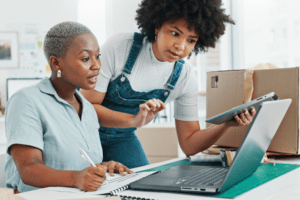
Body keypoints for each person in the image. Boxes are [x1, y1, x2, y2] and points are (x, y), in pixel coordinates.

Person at [81, 0, 256, 169]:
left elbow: (189, 144)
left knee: (144, 188)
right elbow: (85, 109)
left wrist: (225, 124)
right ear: (157, 26)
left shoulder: (185, 77)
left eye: (191, 40)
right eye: (175, 33)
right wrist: (133, 120)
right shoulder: (120, 47)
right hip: (82, 134)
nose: (180, 46)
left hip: (122, 139)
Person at [4, 21, 133, 193]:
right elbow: (28, 170)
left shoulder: (87, 108)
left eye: (98, 56)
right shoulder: (26, 100)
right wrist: (77, 178)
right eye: (86, 58)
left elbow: (74, 164)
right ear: (56, 63)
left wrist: (101, 167)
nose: (97, 66)